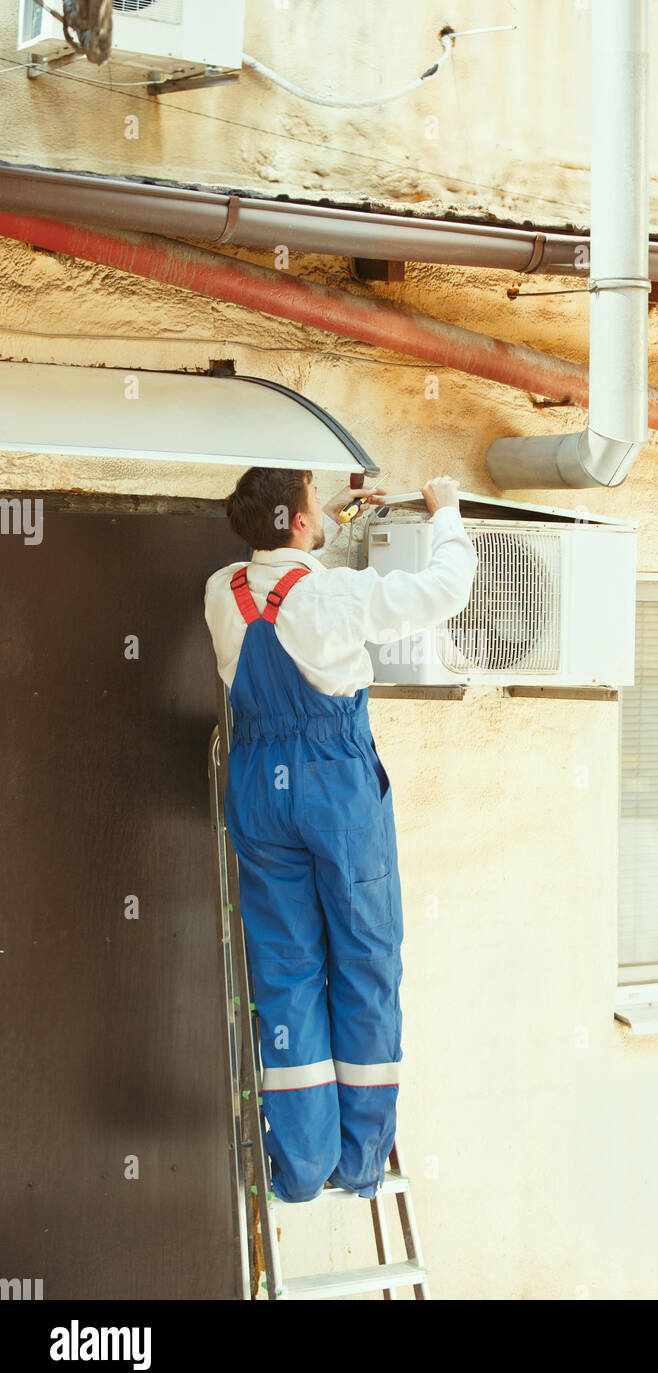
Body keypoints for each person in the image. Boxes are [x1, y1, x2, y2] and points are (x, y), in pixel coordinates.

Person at [204, 468, 477, 1202]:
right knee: (364, 962)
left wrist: (321, 514)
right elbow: (447, 589)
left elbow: (282, 557)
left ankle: (300, 1166)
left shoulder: (222, 590)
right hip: (333, 783)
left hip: (259, 787)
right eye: (311, 501)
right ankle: (359, 1162)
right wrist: (446, 511)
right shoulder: (334, 595)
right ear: (296, 521)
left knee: (287, 972)